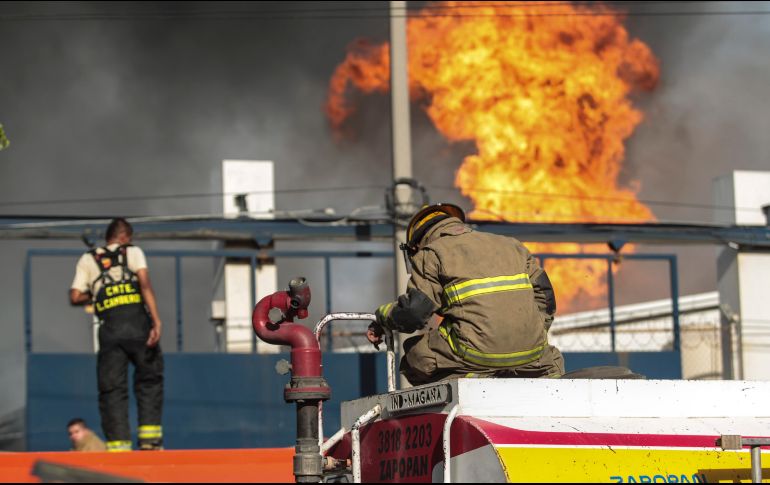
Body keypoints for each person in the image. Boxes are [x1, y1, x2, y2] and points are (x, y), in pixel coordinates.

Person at [368, 203, 564, 385]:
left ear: (417, 244)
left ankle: (468, 382)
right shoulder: (512, 245)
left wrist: (383, 316)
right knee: (550, 359)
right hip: (532, 351)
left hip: (473, 354)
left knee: (414, 356)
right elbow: (545, 298)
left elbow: (414, 313)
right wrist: (531, 332)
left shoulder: (430, 253)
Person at [70, 218, 164, 452]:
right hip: (137, 326)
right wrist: (156, 321)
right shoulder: (132, 252)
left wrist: (97, 294)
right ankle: (150, 441)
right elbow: (144, 284)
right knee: (149, 380)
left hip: (110, 332)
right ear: (124, 237)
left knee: (112, 388)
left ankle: (118, 447)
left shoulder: (88, 259)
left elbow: (75, 296)